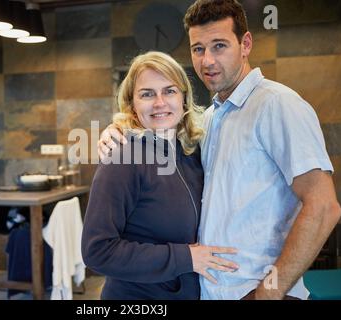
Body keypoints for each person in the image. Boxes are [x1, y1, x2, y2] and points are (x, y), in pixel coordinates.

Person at [97, 0, 341, 300]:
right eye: (198, 49)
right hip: (211, 291)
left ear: (246, 44)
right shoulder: (211, 118)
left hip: (254, 291)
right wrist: (120, 129)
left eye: (219, 46)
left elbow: (324, 207)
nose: (207, 60)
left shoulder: (277, 105)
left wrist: (269, 292)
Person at [81, 51, 239, 300]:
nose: (159, 103)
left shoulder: (191, 151)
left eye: (169, 91)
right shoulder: (121, 159)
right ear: (132, 103)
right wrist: (185, 258)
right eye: (147, 94)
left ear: (184, 98)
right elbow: (97, 251)